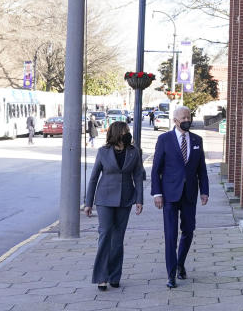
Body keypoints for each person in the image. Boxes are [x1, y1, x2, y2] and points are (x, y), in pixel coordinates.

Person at [150, 106, 208, 288]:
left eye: (189, 116)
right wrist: (157, 193)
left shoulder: (197, 140)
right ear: (175, 120)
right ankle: (171, 274)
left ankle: (180, 262)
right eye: (183, 117)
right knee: (170, 235)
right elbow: (156, 169)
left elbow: (202, 169)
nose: (187, 119)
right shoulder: (164, 139)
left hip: (189, 194)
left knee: (189, 231)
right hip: (169, 195)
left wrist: (204, 191)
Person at [84, 121, 144, 291]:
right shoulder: (103, 152)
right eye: (126, 131)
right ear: (118, 133)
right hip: (104, 200)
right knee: (105, 236)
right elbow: (94, 177)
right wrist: (88, 203)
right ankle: (101, 277)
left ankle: (114, 276)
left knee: (118, 240)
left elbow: (138, 176)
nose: (128, 133)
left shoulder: (134, 152)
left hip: (125, 200)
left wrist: (139, 200)